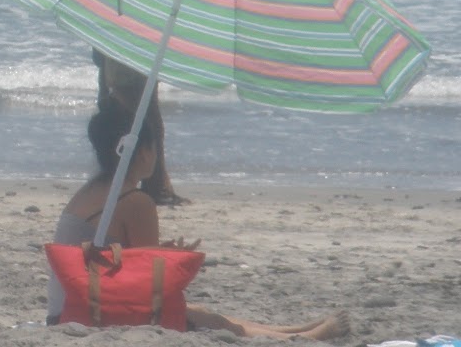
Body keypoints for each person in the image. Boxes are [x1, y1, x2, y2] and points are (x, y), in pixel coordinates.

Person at [47, 102, 349, 338]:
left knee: (202, 313)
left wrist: (162, 251)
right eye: (156, 146)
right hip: (88, 313)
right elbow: (151, 284)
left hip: (65, 309)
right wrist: (174, 258)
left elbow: (117, 258)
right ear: (141, 152)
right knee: (207, 319)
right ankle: (302, 338)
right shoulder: (135, 201)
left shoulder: (94, 190)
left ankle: (294, 331)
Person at [93, 47, 184, 205]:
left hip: (123, 54)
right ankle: (153, 185)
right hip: (134, 57)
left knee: (137, 124)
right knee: (146, 124)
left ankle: (146, 184)